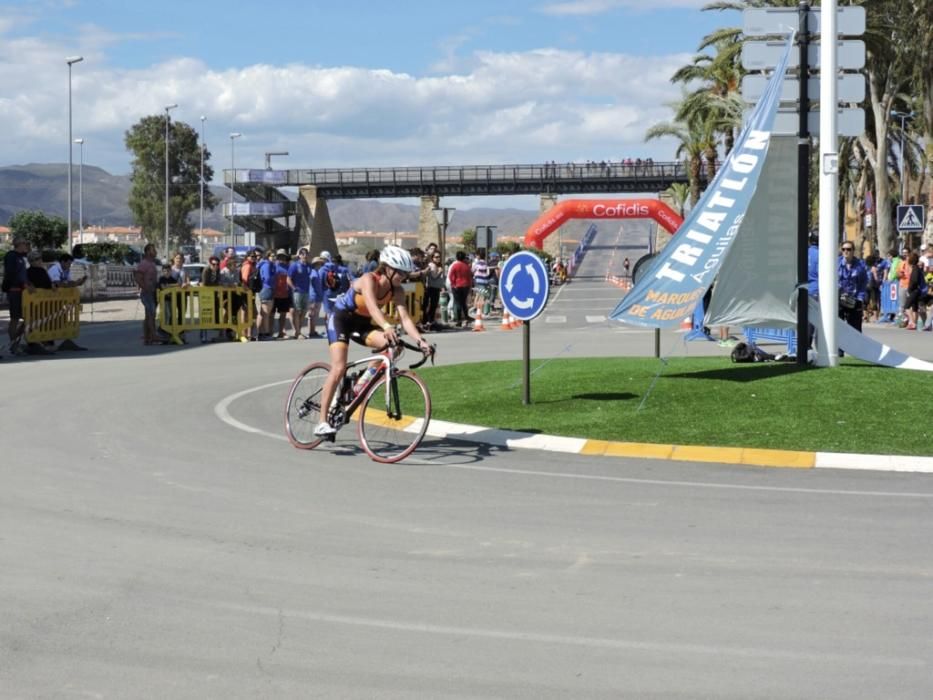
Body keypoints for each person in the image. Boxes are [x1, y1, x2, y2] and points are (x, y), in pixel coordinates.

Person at [315, 245, 433, 437]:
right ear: (387, 267)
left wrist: (421, 341)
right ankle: (321, 422)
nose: (403, 276)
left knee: (394, 347)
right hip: (341, 319)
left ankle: (362, 381)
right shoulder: (369, 279)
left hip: (363, 323)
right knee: (338, 368)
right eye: (400, 272)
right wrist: (386, 327)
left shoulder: (398, 290)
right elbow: (371, 304)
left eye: (406, 273)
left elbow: (404, 318)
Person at [838, 241, 868, 333]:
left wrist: (860, 298)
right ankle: (840, 347)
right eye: (843, 249)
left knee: (855, 330)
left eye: (848, 249)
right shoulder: (836, 263)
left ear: (853, 251)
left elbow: (864, 282)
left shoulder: (860, 265)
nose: (846, 251)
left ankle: (855, 347)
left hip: (854, 299)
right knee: (838, 328)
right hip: (839, 300)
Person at [133, 243, 159, 345]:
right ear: (148, 252)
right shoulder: (144, 263)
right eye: (153, 250)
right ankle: (153, 335)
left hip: (152, 292)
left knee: (149, 315)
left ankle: (148, 338)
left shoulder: (152, 263)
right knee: (151, 314)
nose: (155, 251)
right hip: (146, 293)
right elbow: (138, 277)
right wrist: (145, 288)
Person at [289, 248, 313, 339]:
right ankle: (298, 333)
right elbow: (288, 278)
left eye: (306, 254)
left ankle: (298, 331)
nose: (304, 255)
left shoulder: (309, 266)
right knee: (297, 311)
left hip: (306, 291)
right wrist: (294, 288)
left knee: (303, 312)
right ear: (299, 255)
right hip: (297, 292)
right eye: (302, 254)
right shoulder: (294, 265)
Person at [448, 250, 473, 327]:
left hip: (457, 286)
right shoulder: (466, 266)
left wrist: (453, 284)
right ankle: (466, 317)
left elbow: (451, 275)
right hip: (466, 286)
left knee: (457, 303)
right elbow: (470, 276)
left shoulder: (455, 265)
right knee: (463, 302)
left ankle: (459, 320)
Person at [422, 249, 445, 330]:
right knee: (432, 305)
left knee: (433, 306)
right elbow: (434, 277)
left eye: (439, 257)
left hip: (436, 288)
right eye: (436, 257)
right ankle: (429, 321)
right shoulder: (432, 265)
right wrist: (440, 272)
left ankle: (430, 321)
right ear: (432, 258)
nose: (438, 259)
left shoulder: (437, 265)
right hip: (432, 288)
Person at [308, 255, 326, 338]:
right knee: (313, 315)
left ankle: (312, 331)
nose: (320, 265)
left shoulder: (314, 272)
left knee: (312, 315)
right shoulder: (314, 273)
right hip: (315, 297)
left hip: (314, 296)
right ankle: (312, 332)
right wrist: (321, 295)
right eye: (319, 263)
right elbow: (317, 287)